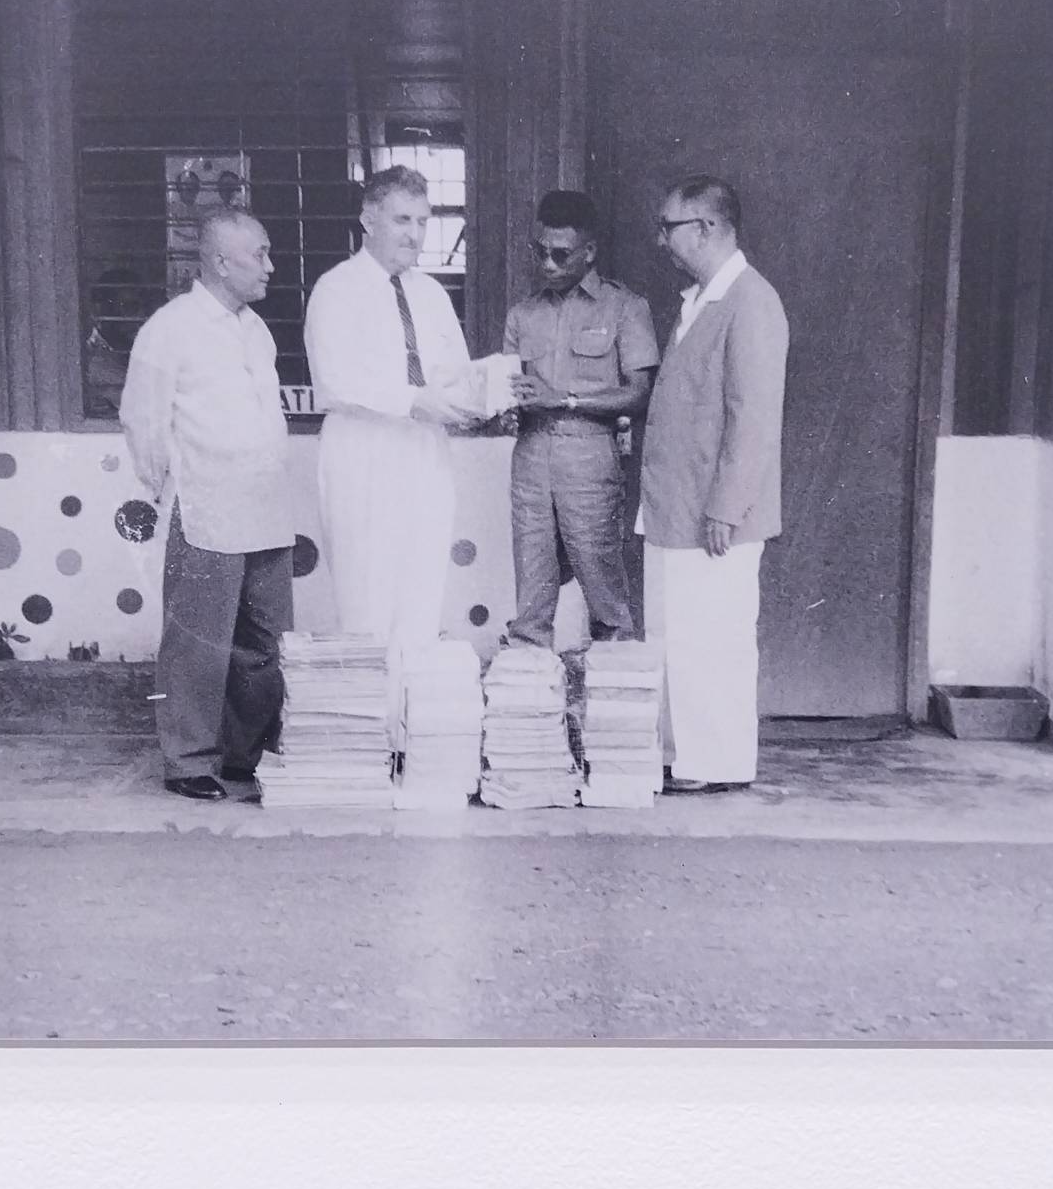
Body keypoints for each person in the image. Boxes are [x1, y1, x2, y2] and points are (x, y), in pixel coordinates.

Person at [120, 209, 294, 800]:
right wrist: (170, 488)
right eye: (260, 255)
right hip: (204, 507)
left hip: (266, 509)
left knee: (263, 644)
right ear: (221, 262)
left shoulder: (257, 331)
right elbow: (142, 419)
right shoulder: (169, 329)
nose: (271, 266)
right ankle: (189, 761)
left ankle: (246, 757)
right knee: (197, 641)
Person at [637, 175, 789, 794]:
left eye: (669, 227)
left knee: (713, 640)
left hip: (713, 515)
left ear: (705, 227)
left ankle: (716, 762)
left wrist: (727, 506)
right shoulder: (701, 300)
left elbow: (753, 416)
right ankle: (686, 756)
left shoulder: (751, 302)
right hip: (676, 507)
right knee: (677, 637)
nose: (661, 240)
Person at [303, 165, 482, 663]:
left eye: (423, 221)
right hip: (363, 452)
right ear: (369, 219)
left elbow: (454, 371)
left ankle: (411, 731)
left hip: (425, 453)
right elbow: (335, 381)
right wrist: (414, 400)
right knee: (367, 598)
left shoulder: (431, 295)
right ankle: (372, 731)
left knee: (421, 594)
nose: (415, 234)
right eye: (403, 220)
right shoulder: (336, 289)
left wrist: (477, 395)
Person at [502, 189, 658, 646]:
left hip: (591, 460)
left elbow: (639, 393)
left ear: (589, 252)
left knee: (606, 595)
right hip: (529, 459)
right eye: (540, 251)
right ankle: (533, 703)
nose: (547, 264)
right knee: (530, 599)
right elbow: (511, 389)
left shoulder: (625, 308)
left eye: (560, 254)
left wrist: (566, 400)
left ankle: (617, 701)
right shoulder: (523, 313)